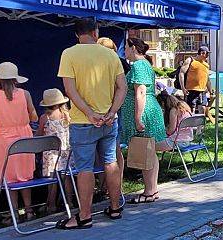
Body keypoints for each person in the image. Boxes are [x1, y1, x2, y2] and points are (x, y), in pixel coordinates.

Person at [56, 18, 126, 229]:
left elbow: (70, 90)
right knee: (110, 162)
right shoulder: (111, 55)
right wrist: (112, 111)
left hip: (82, 121)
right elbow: (122, 87)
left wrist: (89, 112)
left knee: (85, 168)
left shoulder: (69, 54)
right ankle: (115, 207)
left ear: (77, 35)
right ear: (96, 33)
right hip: (108, 120)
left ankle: (84, 215)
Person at [0, 62, 38, 222]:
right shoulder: (25, 94)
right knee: (25, 176)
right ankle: (29, 211)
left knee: (9, 177)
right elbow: (34, 116)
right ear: (15, 79)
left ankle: (14, 213)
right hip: (24, 135)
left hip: (3, 138)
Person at [120, 37, 168, 204]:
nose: (124, 51)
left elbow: (140, 92)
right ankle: (152, 189)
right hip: (150, 110)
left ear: (133, 48)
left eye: (126, 47)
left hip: (144, 113)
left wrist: (138, 118)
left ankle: (149, 191)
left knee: (144, 151)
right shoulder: (146, 64)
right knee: (150, 151)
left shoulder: (139, 65)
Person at [97, 36, 128, 187]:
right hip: (112, 110)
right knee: (111, 151)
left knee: (111, 151)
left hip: (110, 111)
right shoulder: (118, 63)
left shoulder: (115, 65)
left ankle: (112, 184)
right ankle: (112, 184)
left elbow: (121, 88)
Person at [35, 88, 72, 213]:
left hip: (51, 155)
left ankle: (51, 205)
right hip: (66, 152)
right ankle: (70, 201)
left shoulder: (45, 118)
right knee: (66, 177)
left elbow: (39, 135)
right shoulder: (68, 116)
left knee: (52, 180)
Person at [180, 46, 213, 121]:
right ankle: (190, 129)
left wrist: (211, 91)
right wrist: (183, 88)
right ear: (202, 53)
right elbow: (181, 73)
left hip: (202, 91)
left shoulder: (206, 65)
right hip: (191, 90)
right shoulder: (190, 60)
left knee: (203, 109)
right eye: (207, 54)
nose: (207, 56)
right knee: (191, 110)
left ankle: (199, 130)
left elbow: (207, 79)